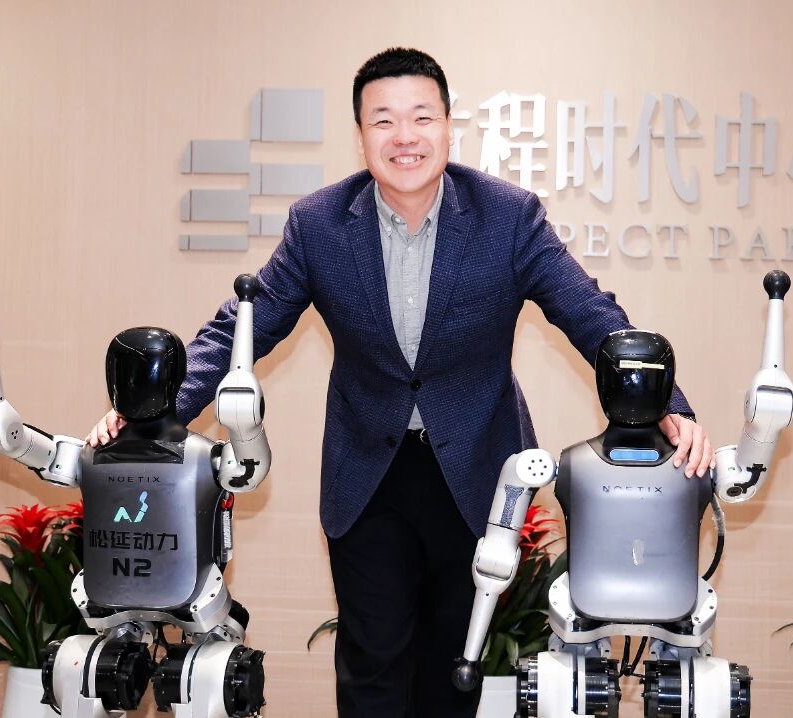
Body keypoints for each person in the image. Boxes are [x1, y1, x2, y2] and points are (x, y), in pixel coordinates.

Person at [88, 47, 712, 718]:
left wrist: (665, 409)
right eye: (383, 120)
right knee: (373, 668)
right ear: (361, 136)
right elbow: (240, 329)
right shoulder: (319, 225)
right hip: (368, 475)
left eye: (421, 117)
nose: (404, 136)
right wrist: (152, 416)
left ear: (448, 126)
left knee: (454, 670)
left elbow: (591, 315)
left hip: (475, 473)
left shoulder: (508, 217)